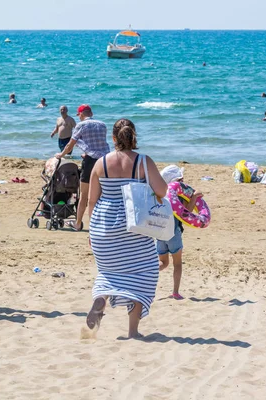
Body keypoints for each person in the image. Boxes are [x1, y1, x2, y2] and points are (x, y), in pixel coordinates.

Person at [85, 118, 168, 339]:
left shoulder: (100, 163)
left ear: (113, 138)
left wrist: (92, 232)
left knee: (108, 273)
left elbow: (92, 200)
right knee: (145, 273)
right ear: (134, 137)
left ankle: (100, 300)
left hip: (102, 227)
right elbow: (162, 190)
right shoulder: (143, 161)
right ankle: (132, 331)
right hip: (133, 228)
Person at [55, 104, 109, 231]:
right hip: (105, 161)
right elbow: (98, 143)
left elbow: (70, 145)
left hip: (90, 161)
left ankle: (78, 223)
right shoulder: (102, 125)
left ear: (81, 114)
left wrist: (61, 154)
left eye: (78, 115)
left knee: (84, 195)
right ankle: (101, 222)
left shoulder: (81, 125)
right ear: (91, 113)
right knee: (101, 193)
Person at [157, 165, 202, 300]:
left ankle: (146, 273)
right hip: (173, 233)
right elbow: (185, 212)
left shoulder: (161, 193)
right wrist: (194, 197)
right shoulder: (177, 194)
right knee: (177, 263)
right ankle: (175, 292)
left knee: (163, 263)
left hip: (159, 233)